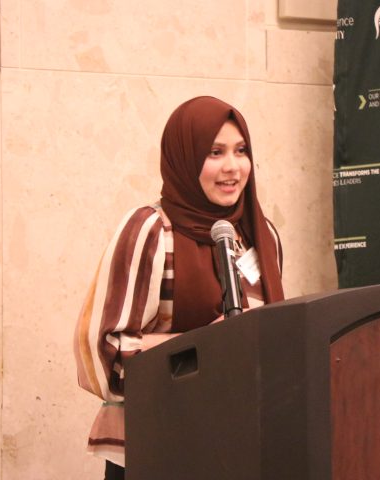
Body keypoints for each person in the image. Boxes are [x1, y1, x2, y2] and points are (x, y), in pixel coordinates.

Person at [73, 96, 285, 479]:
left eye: (241, 151)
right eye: (214, 152)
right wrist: (208, 343)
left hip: (238, 446)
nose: (232, 167)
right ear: (183, 158)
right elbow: (100, 350)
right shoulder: (151, 231)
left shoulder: (260, 234)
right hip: (157, 445)